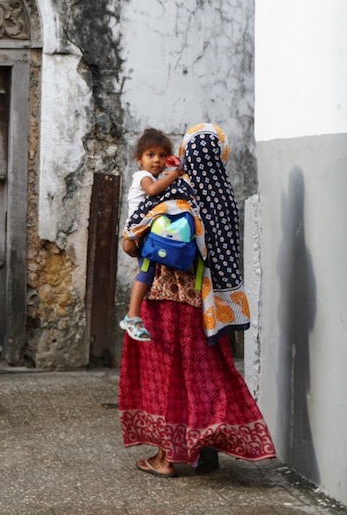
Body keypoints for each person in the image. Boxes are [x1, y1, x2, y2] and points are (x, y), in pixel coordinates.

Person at [119, 123, 275, 477]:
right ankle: (206, 450)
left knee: (166, 373)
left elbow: (131, 241)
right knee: (206, 373)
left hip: (164, 299)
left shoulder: (176, 188)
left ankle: (166, 458)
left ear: (188, 154)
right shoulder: (224, 196)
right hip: (206, 306)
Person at [119, 128, 184, 342]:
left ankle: (135, 315)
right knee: (146, 271)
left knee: (146, 268)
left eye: (162, 155)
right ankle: (132, 316)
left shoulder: (156, 176)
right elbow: (154, 191)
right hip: (140, 229)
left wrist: (173, 170)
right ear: (139, 160)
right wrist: (174, 173)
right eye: (150, 155)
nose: (157, 160)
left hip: (142, 232)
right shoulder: (143, 177)